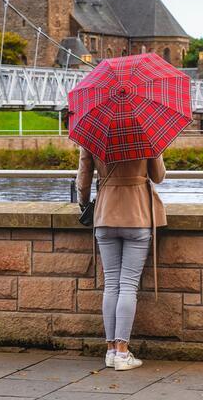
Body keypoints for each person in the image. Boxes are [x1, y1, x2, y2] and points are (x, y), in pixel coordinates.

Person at [77, 146, 166, 371]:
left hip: (105, 214)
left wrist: (84, 203)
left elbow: (84, 177)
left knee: (111, 285)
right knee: (128, 285)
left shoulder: (92, 134)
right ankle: (123, 352)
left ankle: (110, 351)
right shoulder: (146, 133)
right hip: (137, 215)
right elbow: (159, 176)